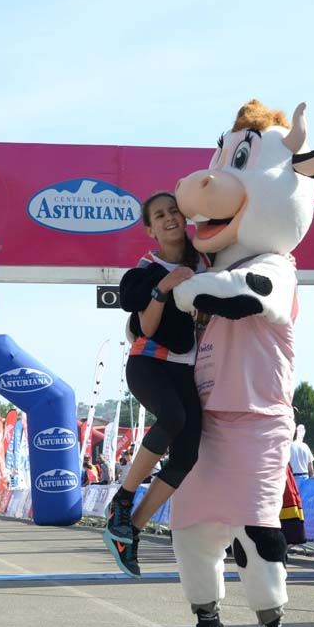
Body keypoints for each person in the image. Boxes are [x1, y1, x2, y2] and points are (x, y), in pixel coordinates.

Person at [103, 191, 209, 577]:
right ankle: (122, 499)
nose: (169, 219)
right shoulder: (145, 271)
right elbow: (146, 328)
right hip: (149, 363)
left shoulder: (207, 259)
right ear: (150, 229)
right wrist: (164, 287)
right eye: (159, 216)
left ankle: (128, 529)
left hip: (186, 370)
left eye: (174, 212)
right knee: (173, 418)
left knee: (187, 456)